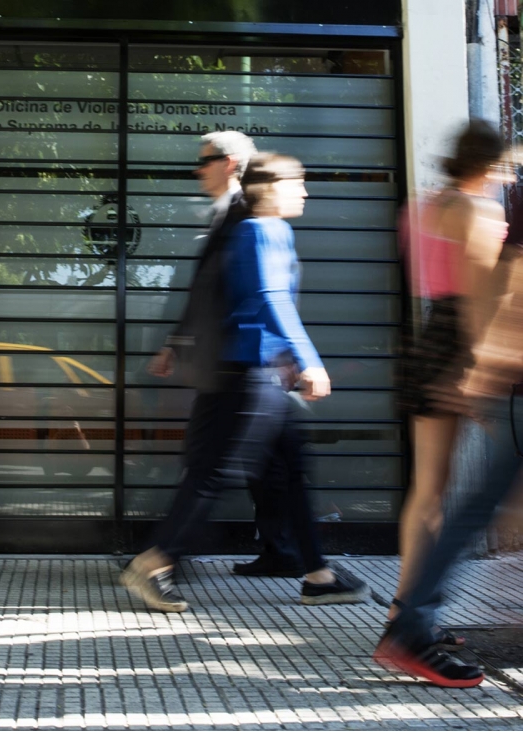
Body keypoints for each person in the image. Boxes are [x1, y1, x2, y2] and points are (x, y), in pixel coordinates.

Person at [121, 153, 370, 612]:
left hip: (258, 374)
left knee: (291, 470)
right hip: (247, 376)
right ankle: (155, 561)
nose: (306, 192)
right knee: (213, 473)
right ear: (271, 188)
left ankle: (318, 574)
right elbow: (273, 299)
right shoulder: (260, 229)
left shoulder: (261, 228)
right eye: (299, 182)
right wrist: (308, 360)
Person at [375, 125, 515, 689]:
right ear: (491, 164)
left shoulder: (423, 207)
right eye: (506, 166)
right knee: (455, 494)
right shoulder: (475, 211)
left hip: (426, 334)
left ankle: (404, 610)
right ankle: (411, 617)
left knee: (427, 488)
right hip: (460, 341)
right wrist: (478, 366)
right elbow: (480, 294)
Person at [149, 130, 304, 578]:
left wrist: (295, 354)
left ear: (231, 163)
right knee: (272, 462)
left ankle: (163, 558)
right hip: (237, 359)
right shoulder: (225, 211)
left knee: (213, 465)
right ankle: (297, 559)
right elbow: (206, 289)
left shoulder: (249, 210)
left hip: (242, 360)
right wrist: (175, 343)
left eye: (206, 160)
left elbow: (270, 291)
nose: (198, 169)